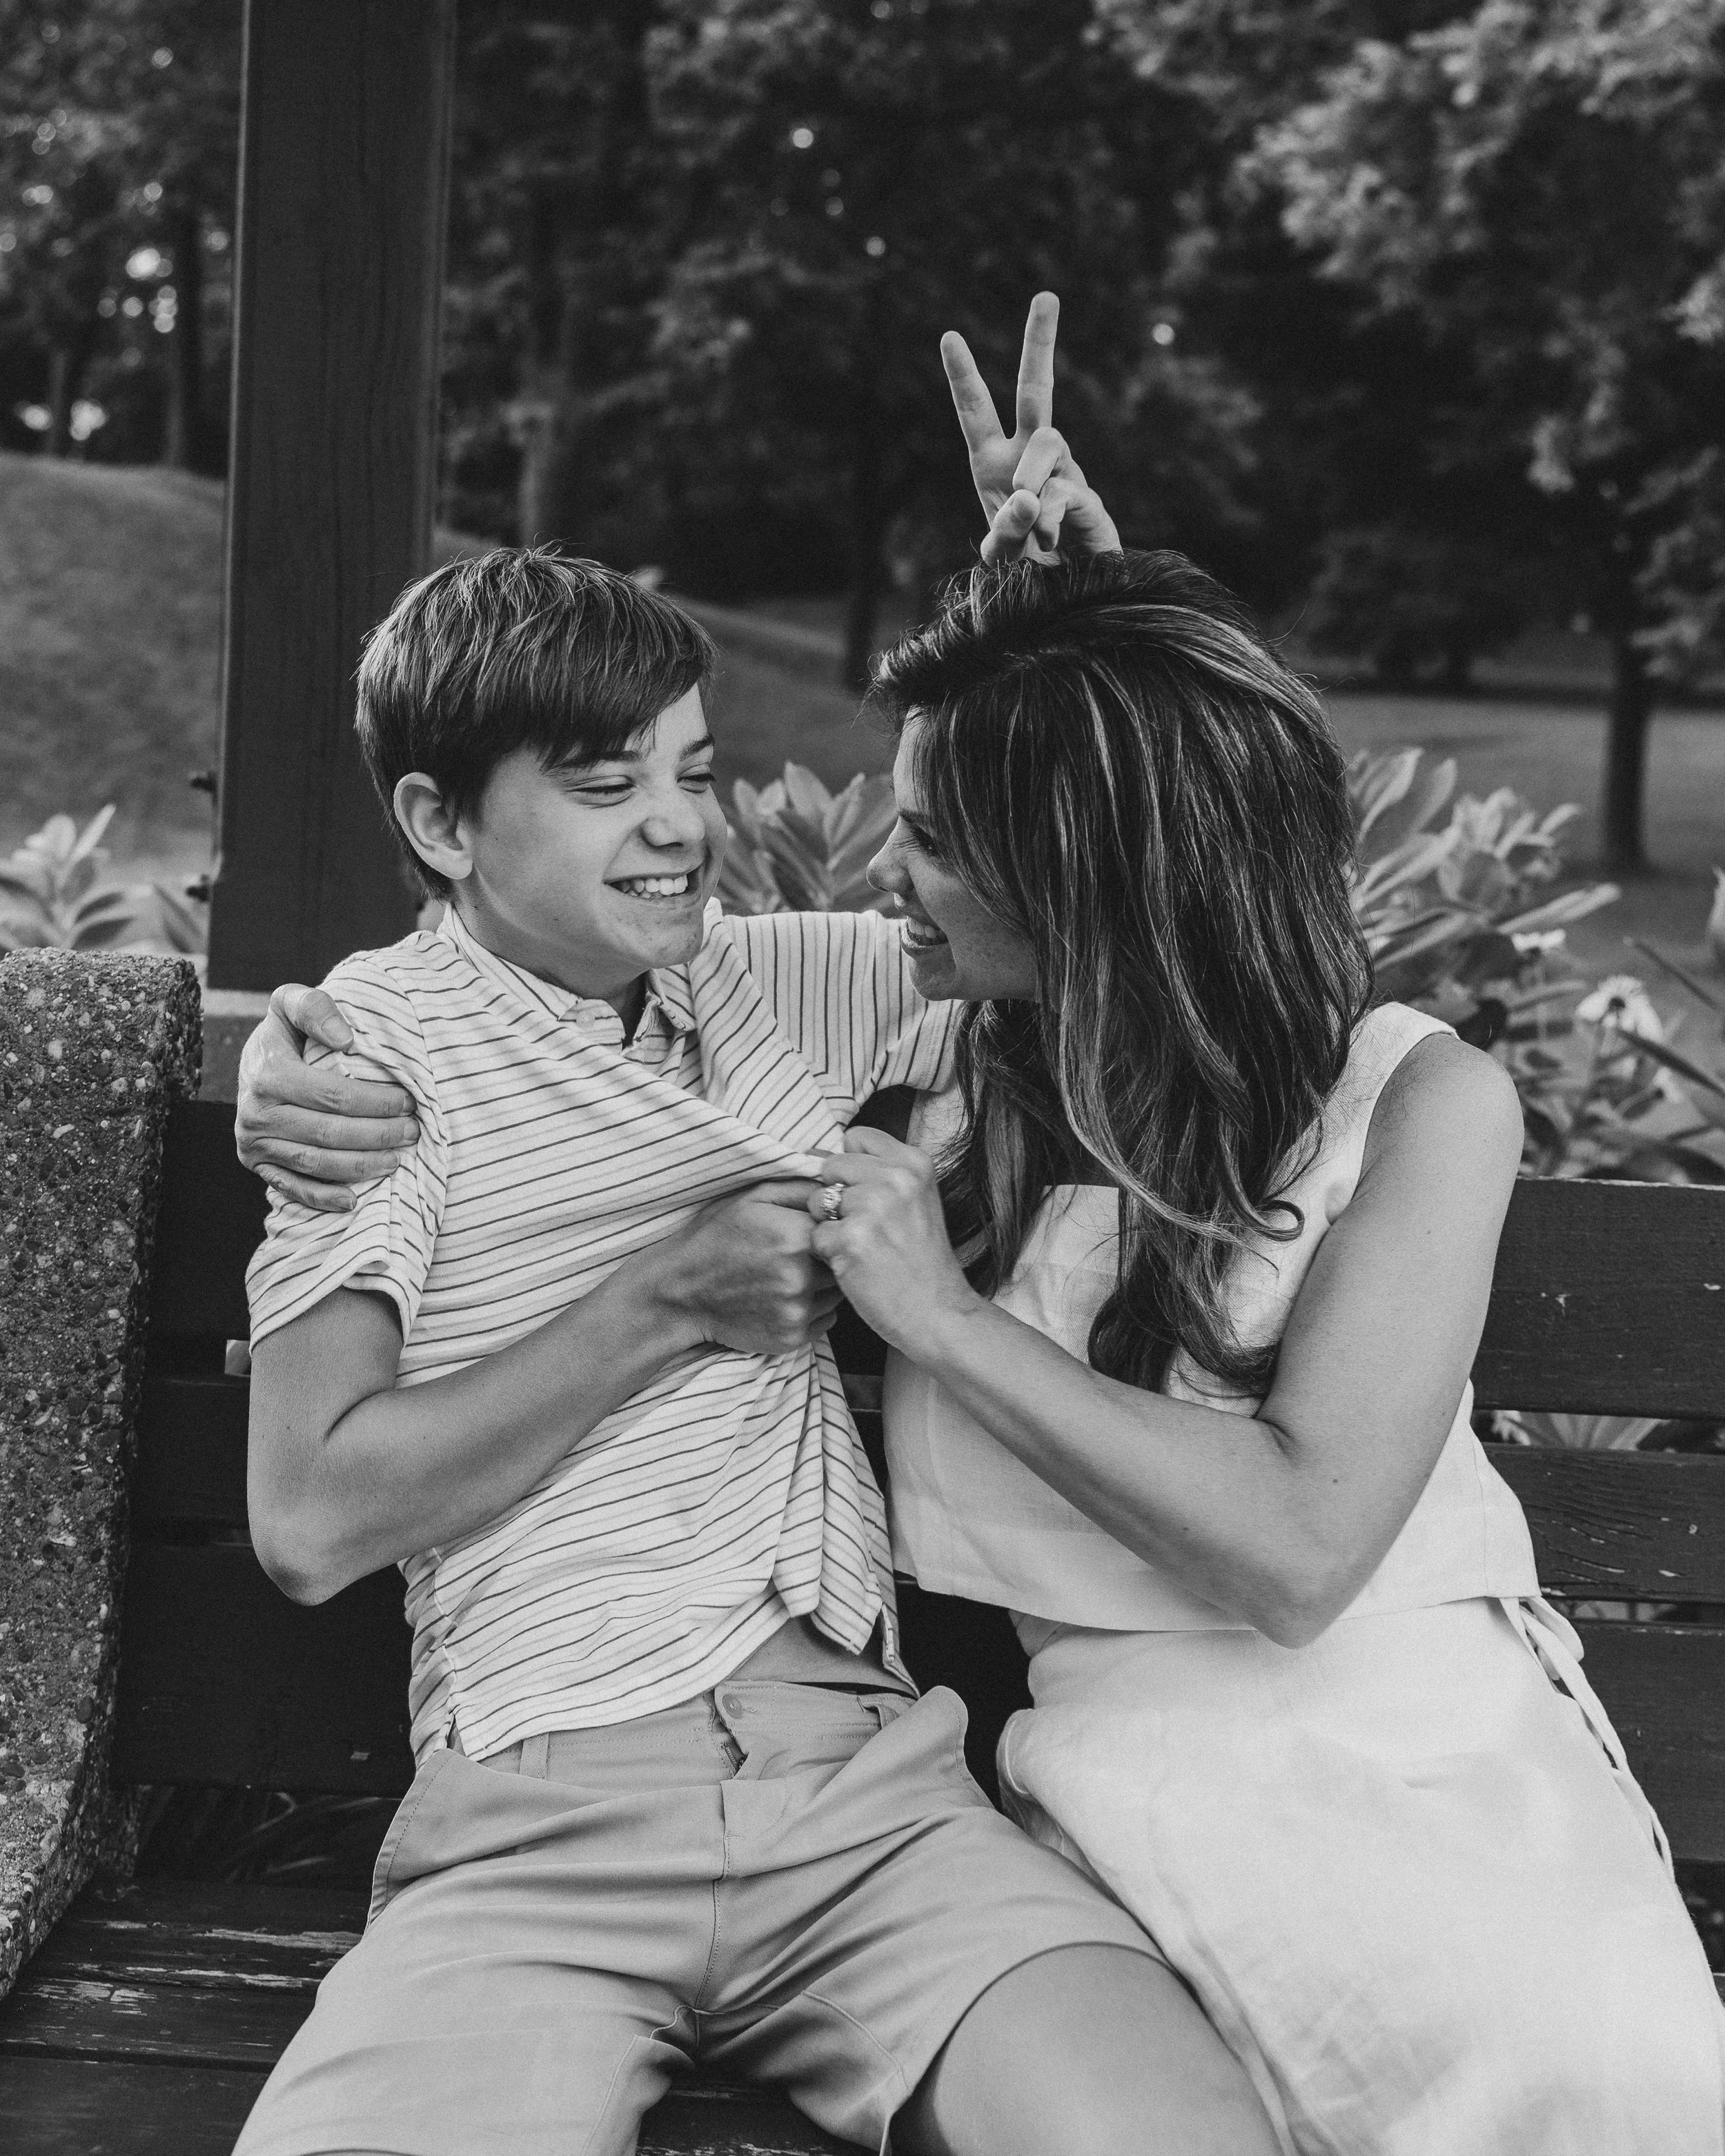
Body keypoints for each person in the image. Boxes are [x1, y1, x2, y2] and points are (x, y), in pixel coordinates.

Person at [228, 306, 1282, 2156]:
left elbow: (1089, 906)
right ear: (440, 821)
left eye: (694, 771)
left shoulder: (786, 985)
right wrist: (663, 1299)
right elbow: (311, 1516)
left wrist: (1072, 637)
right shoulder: (375, 1061)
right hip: (541, 1818)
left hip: (873, 1797)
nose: (674, 835)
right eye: (601, 780)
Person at [792, 547, 1725, 2154]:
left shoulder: (1414, 1100)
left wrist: (938, 1320)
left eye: (936, 838)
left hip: (1426, 1753)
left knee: (1593, 2092)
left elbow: (1297, 1550)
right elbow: (561, 970)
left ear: (1080, 875)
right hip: (1109, 1765)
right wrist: (345, 1051)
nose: (887, 869)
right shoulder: (917, 1049)